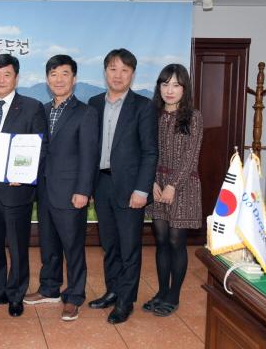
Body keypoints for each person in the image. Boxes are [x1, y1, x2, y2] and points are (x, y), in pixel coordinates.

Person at [0, 54, 47, 317]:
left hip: (17, 190)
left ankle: (16, 295)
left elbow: (41, 147)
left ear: (16, 77)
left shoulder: (32, 107)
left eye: (7, 74)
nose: (1, 80)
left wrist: (24, 173)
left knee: (17, 246)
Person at [24, 55, 99, 321]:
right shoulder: (41, 110)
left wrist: (83, 190)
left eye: (64, 74)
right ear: (47, 79)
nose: (58, 80)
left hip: (71, 192)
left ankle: (75, 295)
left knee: (73, 247)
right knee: (48, 244)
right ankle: (49, 288)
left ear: (74, 79)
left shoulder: (86, 112)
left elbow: (89, 155)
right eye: (53, 74)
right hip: (44, 189)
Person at [88, 48, 158, 324]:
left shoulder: (143, 106)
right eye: (113, 69)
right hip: (101, 184)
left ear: (132, 74)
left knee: (129, 247)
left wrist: (142, 190)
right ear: (105, 71)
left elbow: (150, 152)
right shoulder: (94, 103)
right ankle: (113, 291)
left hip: (131, 189)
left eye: (124, 70)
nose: (118, 75)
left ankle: (125, 301)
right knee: (109, 244)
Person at [143, 64, 203, 317]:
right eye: (165, 84)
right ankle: (161, 291)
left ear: (184, 89)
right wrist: (151, 182)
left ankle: (173, 295)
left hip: (183, 186)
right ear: (159, 87)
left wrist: (172, 186)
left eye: (176, 85)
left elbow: (191, 157)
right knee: (161, 240)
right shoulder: (152, 114)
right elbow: (145, 150)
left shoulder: (193, 117)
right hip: (156, 184)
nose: (170, 90)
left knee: (176, 241)